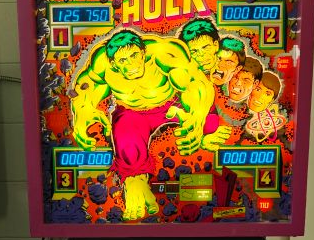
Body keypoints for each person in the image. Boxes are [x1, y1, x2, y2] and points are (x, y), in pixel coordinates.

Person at [71, 29, 226, 220]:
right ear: (113, 64)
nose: (132, 63)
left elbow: (196, 82)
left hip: (171, 105)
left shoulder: (164, 52)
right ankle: (136, 181)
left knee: (209, 125)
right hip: (134, 112)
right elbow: (84, 91)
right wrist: (81, 113)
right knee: (126, 139)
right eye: (123, 60)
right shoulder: (102, 65)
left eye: (135, 55)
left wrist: (197, 117)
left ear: (143, 52)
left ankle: (203, 130)